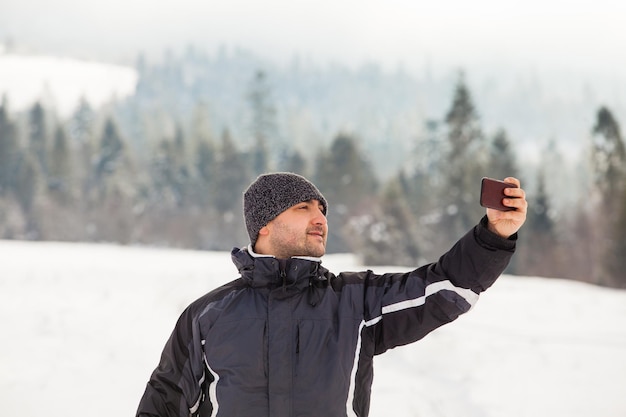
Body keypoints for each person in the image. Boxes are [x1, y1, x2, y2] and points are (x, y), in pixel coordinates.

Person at [136, 172, 527, 417]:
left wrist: (494, 237)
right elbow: (164, 404)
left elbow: (444, 289)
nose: (320, 218)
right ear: (265, 225)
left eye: (322, 209)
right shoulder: (207, 315)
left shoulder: (354, 301)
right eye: (304, 208)